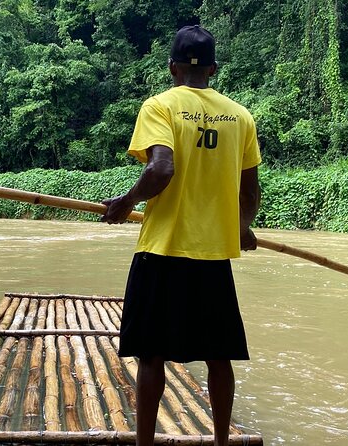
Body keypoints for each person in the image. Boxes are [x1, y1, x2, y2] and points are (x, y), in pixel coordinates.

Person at [101, 25, 261, 446]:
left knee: (151, 354)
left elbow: (160, 170)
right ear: (213, 68)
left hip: (163, 250)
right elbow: (250, 193)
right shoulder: (240, 116)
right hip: (213, 256)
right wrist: (241, 227)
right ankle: (222, 442)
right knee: (219, 355)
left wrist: (128, 201)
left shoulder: (160, 106)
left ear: (172, 66)